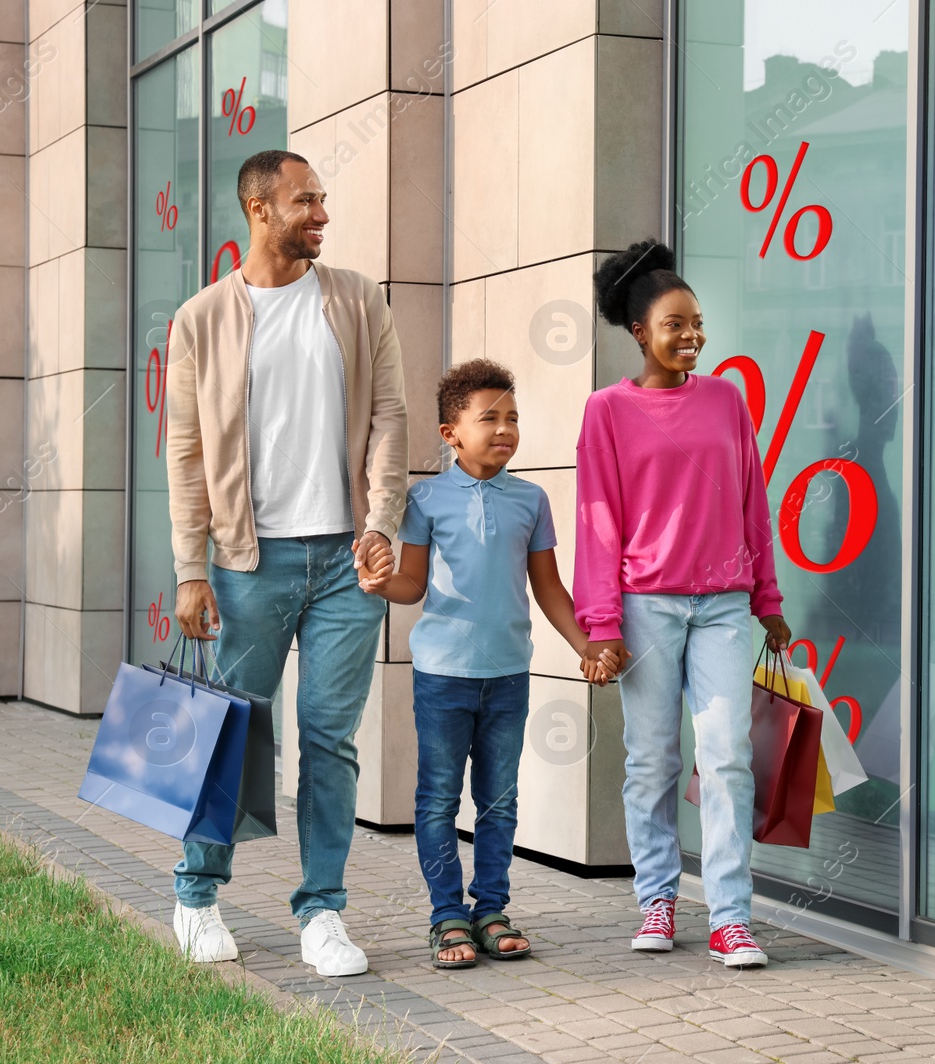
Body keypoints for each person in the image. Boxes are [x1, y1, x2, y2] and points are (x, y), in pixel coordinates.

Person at [166, 149, 406, 977]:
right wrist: (190, 567)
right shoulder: (201, 318)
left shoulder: (356, 299)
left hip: (347, 560)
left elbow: (388, 416)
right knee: (230, 727)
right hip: (247, 559)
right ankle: (196, 894)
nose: (322, 215)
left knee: (331, 741)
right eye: (307, 201)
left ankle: (323, 912)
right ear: (259, 209)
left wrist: (381, 524)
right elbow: (187, 453)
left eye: (323, 200)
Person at [359, 359, 622, 967]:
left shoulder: (531, 499)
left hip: (507, 676)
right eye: (489, 419)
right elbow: (413, 584)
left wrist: (586, 643)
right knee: (437, 801)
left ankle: (492, 909)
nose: (504, 429)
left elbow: (549, 588)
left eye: (512, 418)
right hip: (442, 677)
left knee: (500, 802)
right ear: (451, 433)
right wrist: (379, 585)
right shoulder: (425, 498)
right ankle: (447, 917)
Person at [574, 239, 791, 969]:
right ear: (640, 331)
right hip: (646, 607)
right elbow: (597, 522)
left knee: (728, 755)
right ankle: (657, 899)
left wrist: (768, 596)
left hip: (726, 606)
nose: (691, 335)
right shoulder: (606, 412)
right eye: (675, 324)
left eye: (697, 322)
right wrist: (599, 626)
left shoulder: (727, 400)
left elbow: (751, 503)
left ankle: (731, 917)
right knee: (652, 758)